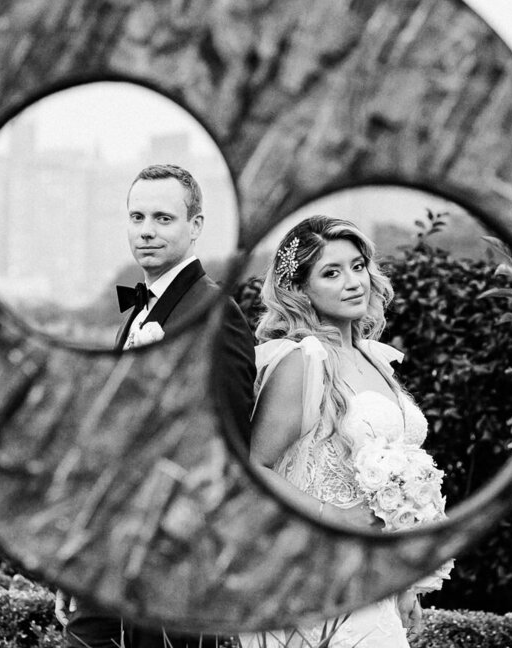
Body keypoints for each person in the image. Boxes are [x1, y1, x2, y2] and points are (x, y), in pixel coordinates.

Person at [60, 163, 257, 648]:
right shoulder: (136, 313)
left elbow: (230, 445)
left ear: (195, 227)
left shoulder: (214, 313)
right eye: (137, 217)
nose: (146, 230)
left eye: (164, 219)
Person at [245, 215, 448, 648]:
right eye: (331, 273)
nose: (354, 282)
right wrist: (331, 515)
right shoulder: (303, 361)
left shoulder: (375, 359)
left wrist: (404, 583)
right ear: (300, 290)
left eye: (358, 266)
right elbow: (254, 467)